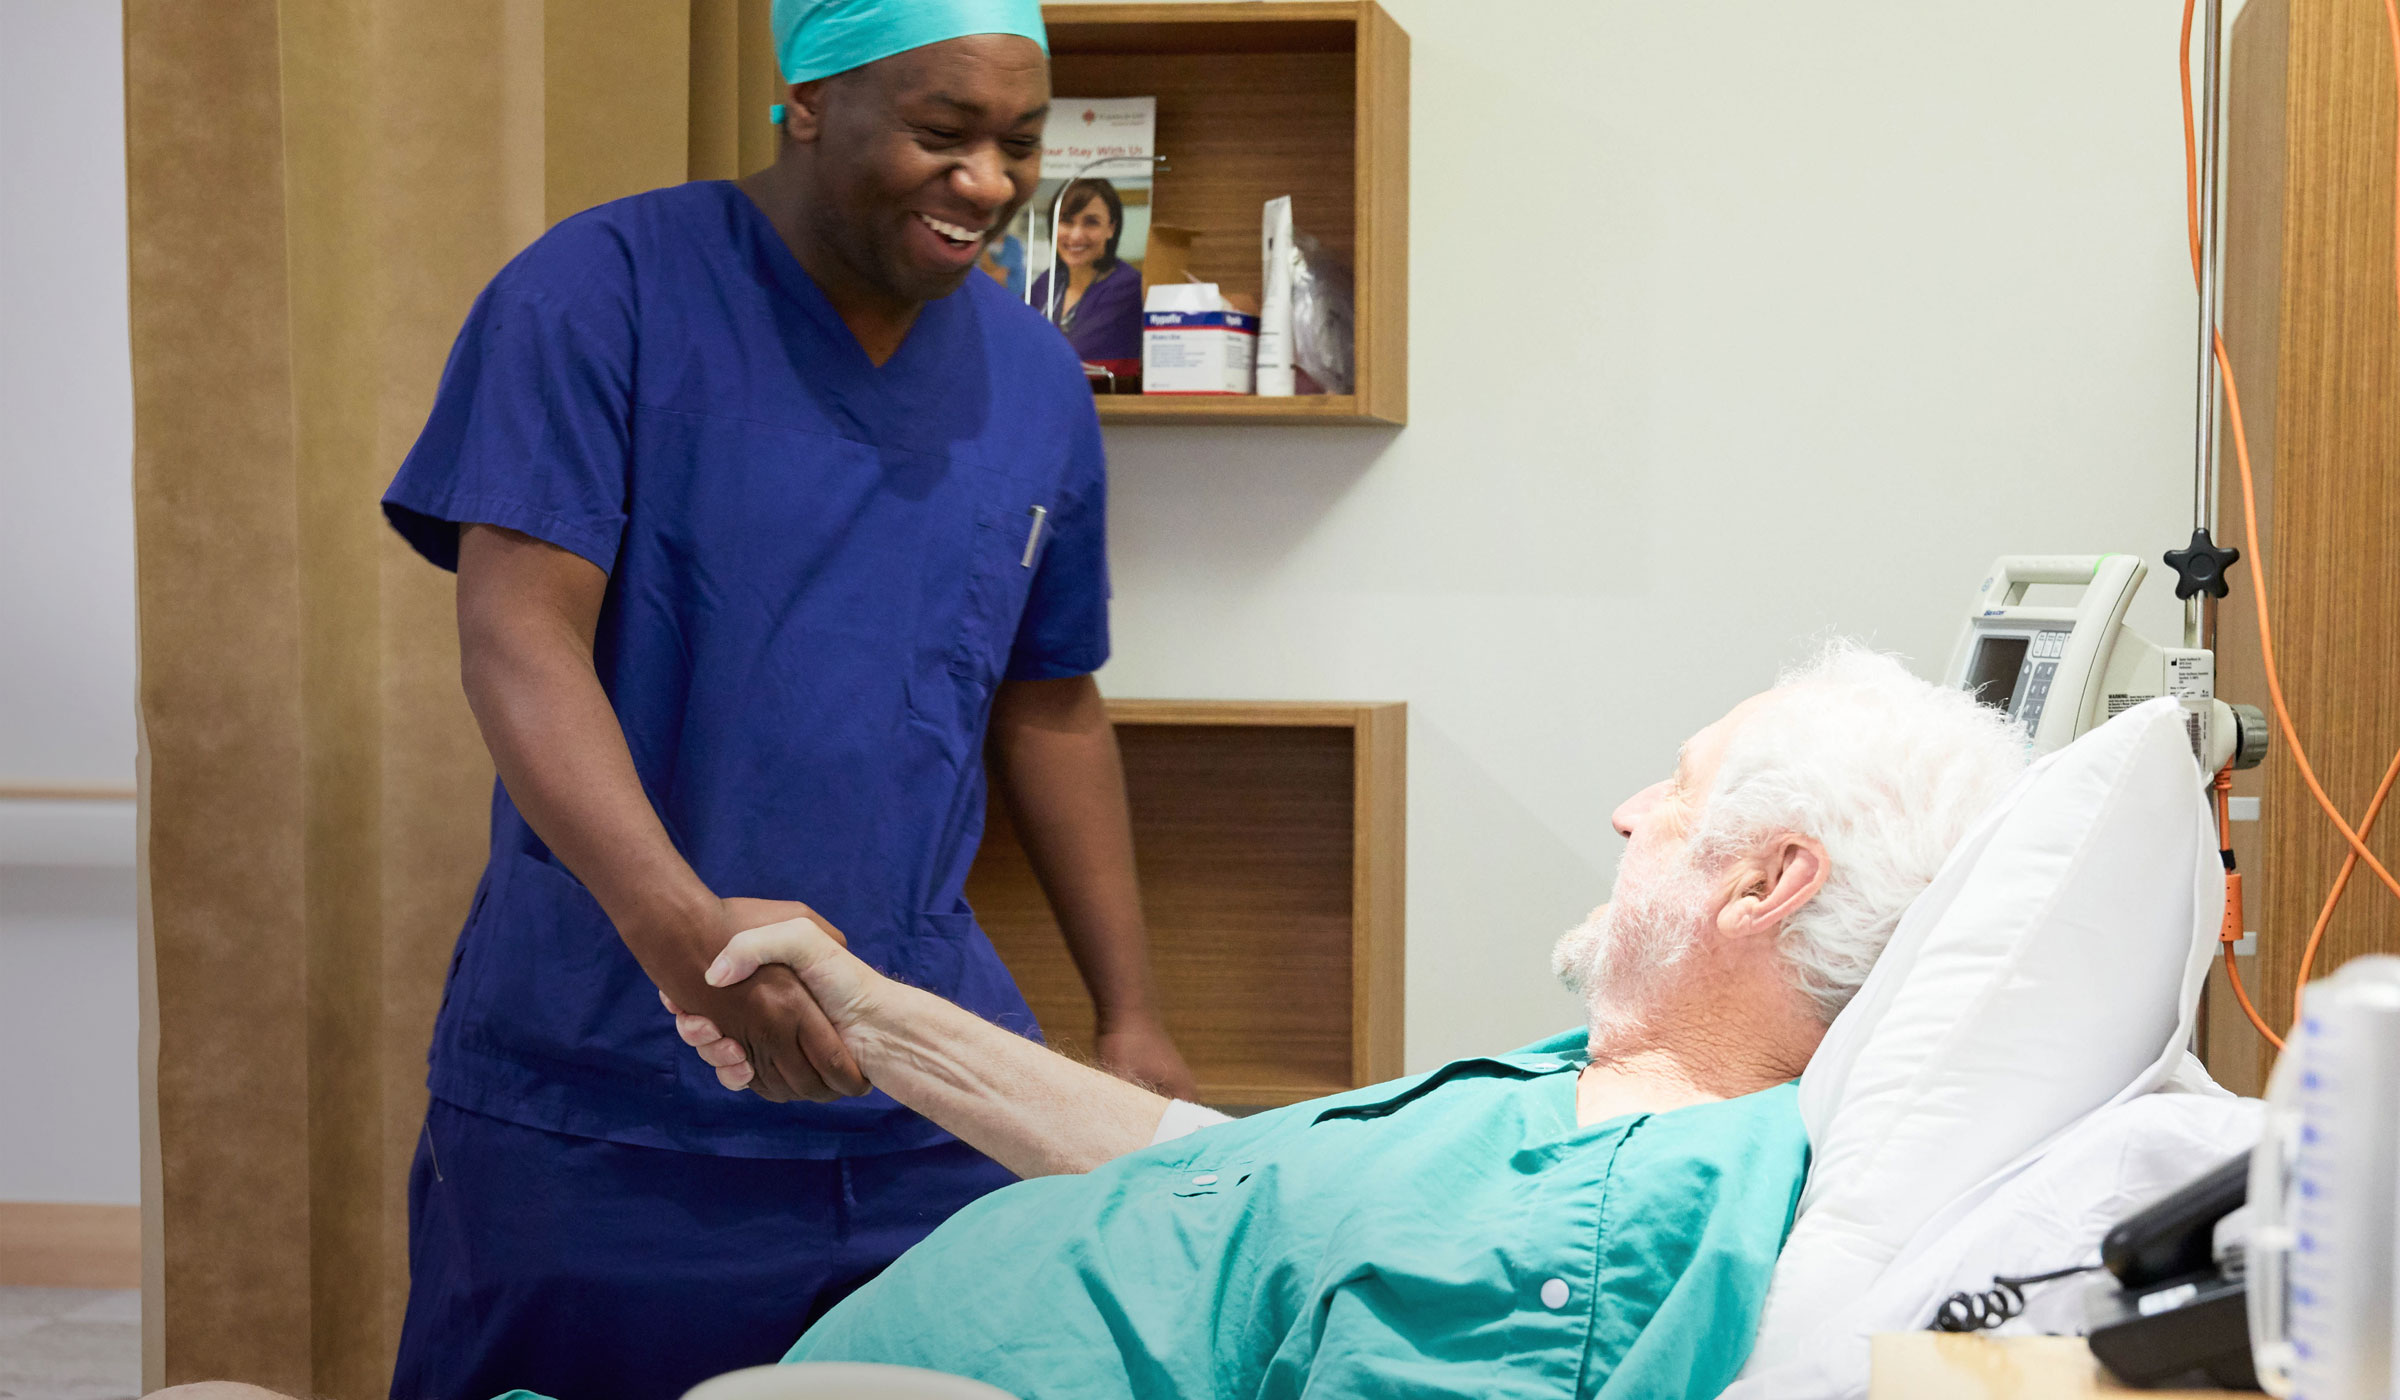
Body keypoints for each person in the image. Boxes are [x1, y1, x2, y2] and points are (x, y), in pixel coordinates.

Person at [142, 646, 2026, 1398]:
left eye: (1676, 793)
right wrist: (883, 1019)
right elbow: (1216, 1183)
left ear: (1766, 886)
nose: (1627, 813)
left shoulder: (1600, 1217)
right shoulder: (1561, 1098)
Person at [372, 1, 1195, 1395]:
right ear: (808, 101)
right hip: (610, 1093)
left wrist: (1131, 1018)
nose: (991, 184)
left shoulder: (1036, 378)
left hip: (929, 1093)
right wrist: (679, 936)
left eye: (1017, 142)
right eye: (942, 133)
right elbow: (518, 639)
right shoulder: (596, 296)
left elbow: (1049, 701)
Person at [1028, 178, 1143, 367]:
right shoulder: (1048, 282)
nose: (1076, 235)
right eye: (1066, 221)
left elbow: (1075, 353)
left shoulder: (1128, 289)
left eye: (1091, 222)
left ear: (1111, 228)